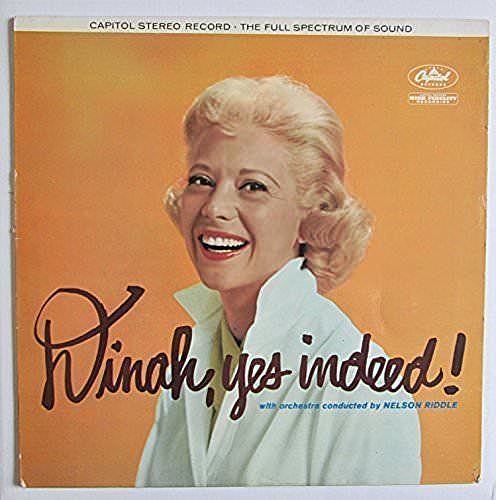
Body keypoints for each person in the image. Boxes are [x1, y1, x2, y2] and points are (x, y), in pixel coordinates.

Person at [136, 76, 421, 487]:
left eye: (253, 186)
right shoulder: (189, 367)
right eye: (202, 180)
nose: (215, 208)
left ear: (312, 213)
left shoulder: (361, 388)